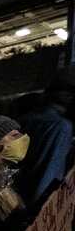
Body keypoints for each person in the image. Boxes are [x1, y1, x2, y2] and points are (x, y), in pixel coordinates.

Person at [16, 66, 75, 210]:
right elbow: (48, 176)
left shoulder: (25, 119)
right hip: (38, 208)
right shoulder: (61, 127)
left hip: (15, 198)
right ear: (68, 96)